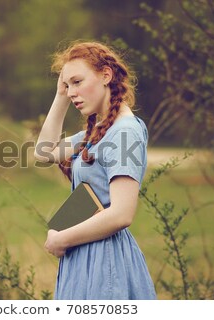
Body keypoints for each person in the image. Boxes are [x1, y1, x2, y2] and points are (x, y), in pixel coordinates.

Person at [34, 41, 157, 299]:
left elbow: (122, 214)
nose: (71, 92)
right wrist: (60, 96)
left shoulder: (124, 132)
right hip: (85, 259)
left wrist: (62, 239)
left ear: (106, 75)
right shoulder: (97, 133)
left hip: (106, 264)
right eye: (67, 86)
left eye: (77, 82)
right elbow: (43, 153)